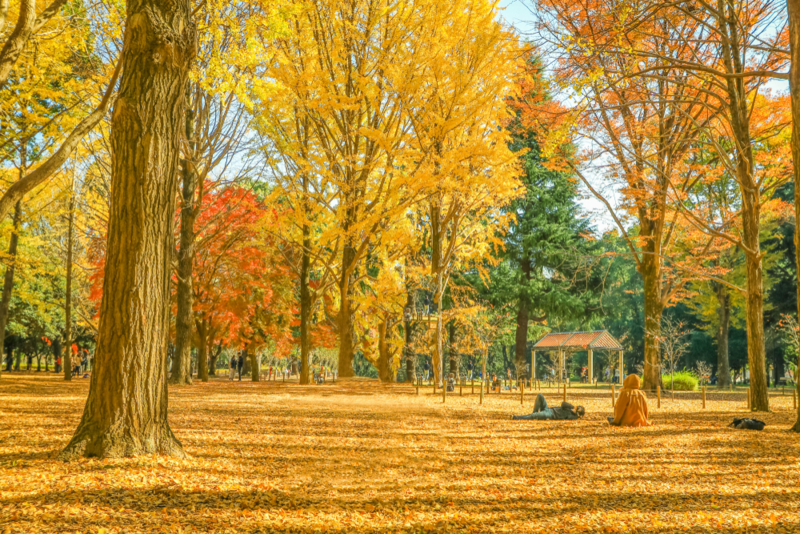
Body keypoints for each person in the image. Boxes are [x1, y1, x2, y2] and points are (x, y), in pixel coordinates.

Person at [512, 394, 585, 421]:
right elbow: (563, 404)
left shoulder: (571, 416)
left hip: (550, 415)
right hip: (549, 409)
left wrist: (577, 416)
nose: (575, 408)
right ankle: (534, 414)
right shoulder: (569, 408)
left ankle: (516, 417)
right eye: (577, 407)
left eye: (577, 409)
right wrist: (572, 406)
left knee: (534, 416)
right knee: (540, 396)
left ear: (578, 413)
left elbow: (569, 418)